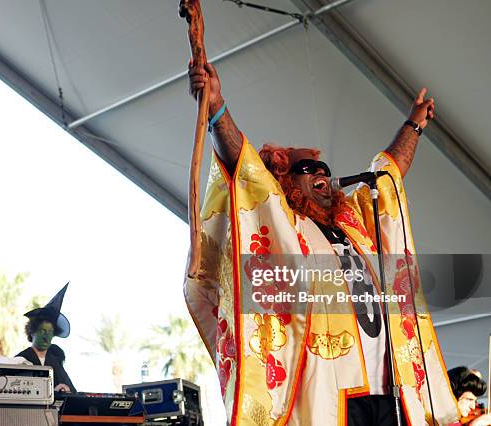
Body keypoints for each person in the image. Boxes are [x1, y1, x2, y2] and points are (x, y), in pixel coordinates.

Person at [184, 62, 460, 425]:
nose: (320, 174)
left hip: (389, 393)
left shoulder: (356, 223)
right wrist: (218, 109)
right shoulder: (287, 224)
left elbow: (389, 173)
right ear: (282, 180)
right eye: (305, 169)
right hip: (329, 399)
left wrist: (414, 125)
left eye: (324, 170)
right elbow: (246, 169)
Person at [15, 283, 76, 393]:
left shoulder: (55, 362)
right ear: (32, 332)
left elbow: (73, 392)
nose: (46, 336)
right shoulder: (21, 359)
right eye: (42, 331)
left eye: (50, 332)